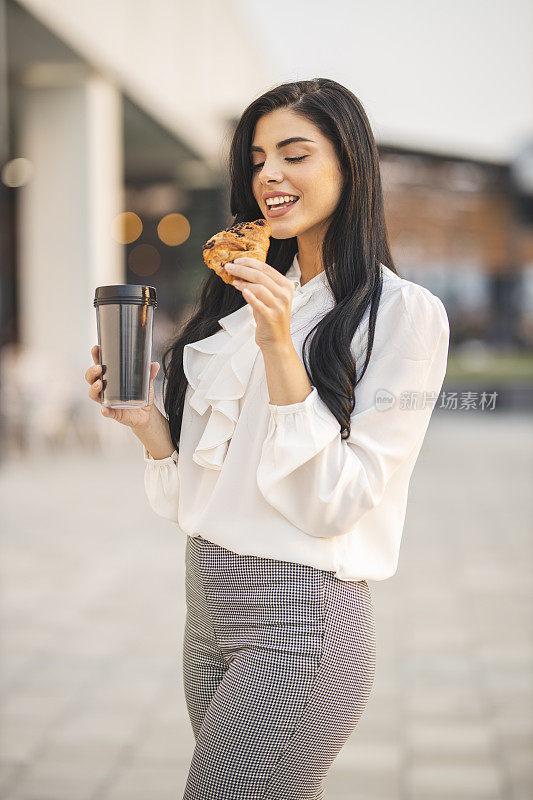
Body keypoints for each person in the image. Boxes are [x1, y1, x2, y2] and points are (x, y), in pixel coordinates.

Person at [85, 77, 450, 800]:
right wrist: (151, 428)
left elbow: (337, 501)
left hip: (298, 621)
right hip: (207, 612)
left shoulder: (401, 314)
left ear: (349, 165)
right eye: (255, 160)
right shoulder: (245, 292)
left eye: (293, 154)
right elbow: (200, 492)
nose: (268, 176)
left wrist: (281, 347)